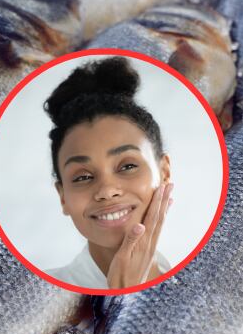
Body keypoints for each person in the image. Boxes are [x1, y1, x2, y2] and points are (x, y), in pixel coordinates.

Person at [43, 57, 173, 290]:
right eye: (82, 177)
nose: (106, 191)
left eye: (127, 166)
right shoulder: (31, 295)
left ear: (164, 172)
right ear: (63, 197)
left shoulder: (211, 281)